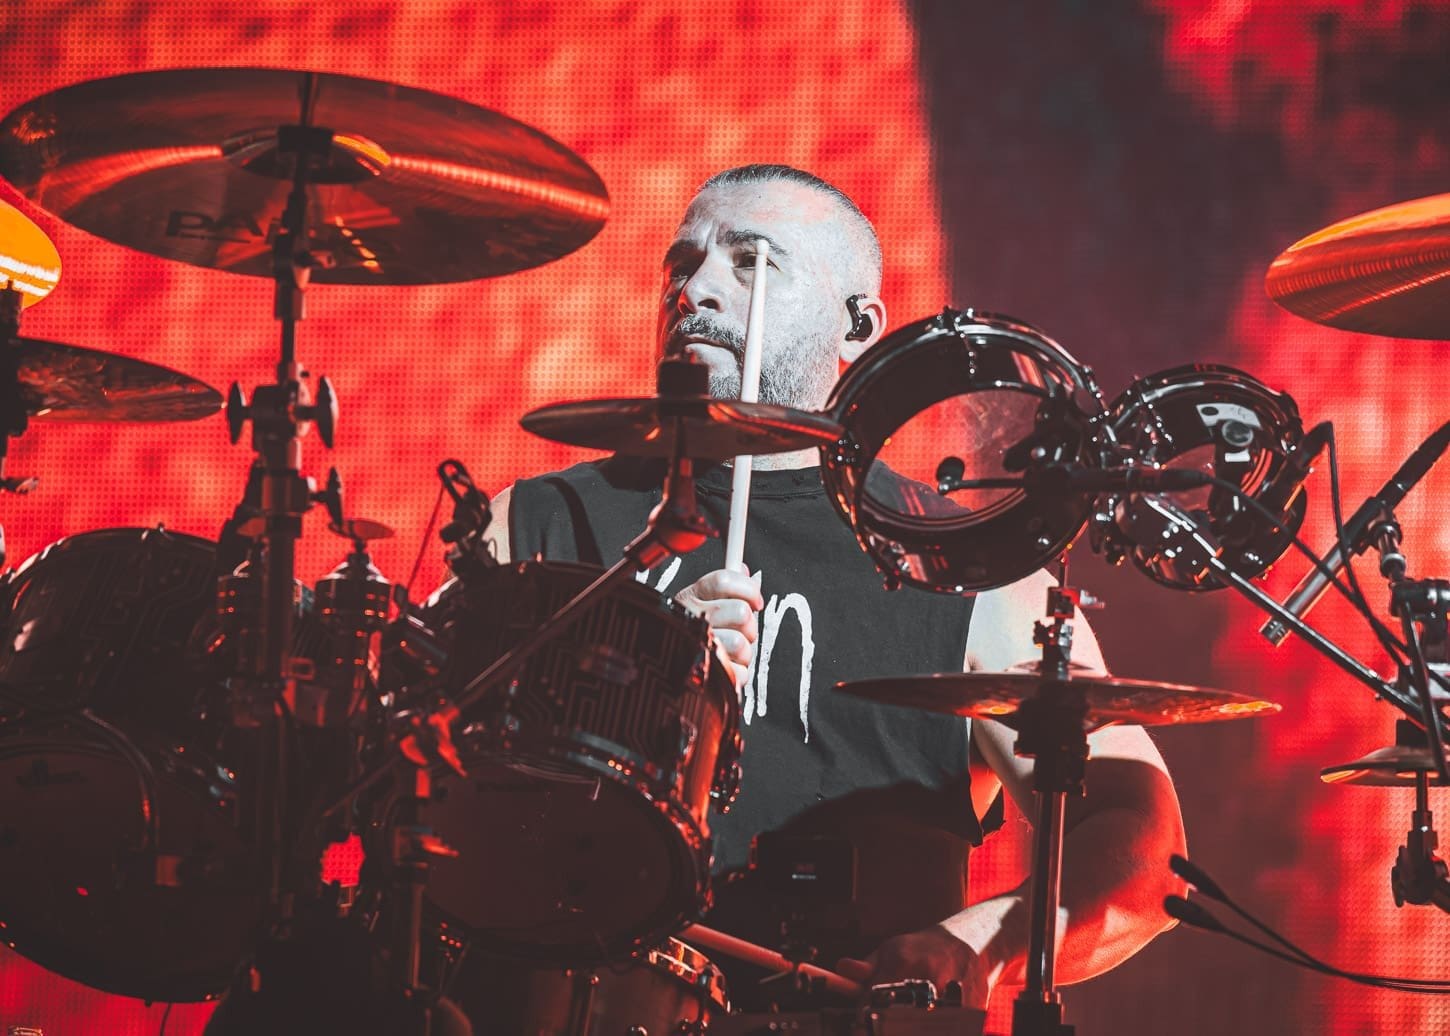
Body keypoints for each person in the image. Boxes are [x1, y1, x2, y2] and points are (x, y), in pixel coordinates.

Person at [470, 164, 1186, 1012]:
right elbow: (420, 789)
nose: (694, 288)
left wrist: (978, 941)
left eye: (751, 263)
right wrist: (638, 659)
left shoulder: (962, 569)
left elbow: (1144, 850)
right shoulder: (535, 523)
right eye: (682, 264)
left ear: (859, 323)